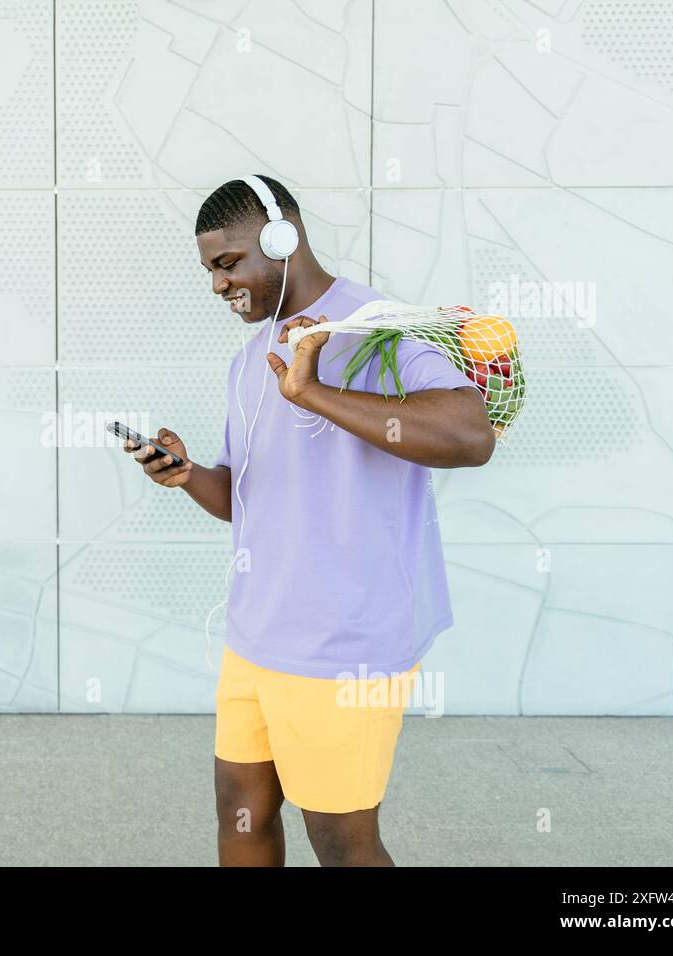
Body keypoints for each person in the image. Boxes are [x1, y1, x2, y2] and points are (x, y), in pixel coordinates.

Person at [123, 175, 494, 866]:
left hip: (343, 648)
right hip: (255, 637)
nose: (218, 285)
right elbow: (243, 499)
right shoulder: (248, 360)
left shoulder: (378, 327)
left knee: (343, 844)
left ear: (281, 238)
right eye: (209, 270)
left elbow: (471, 436)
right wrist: (188, 474)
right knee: (242, 816)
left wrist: (313, 390)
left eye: (228, 263)